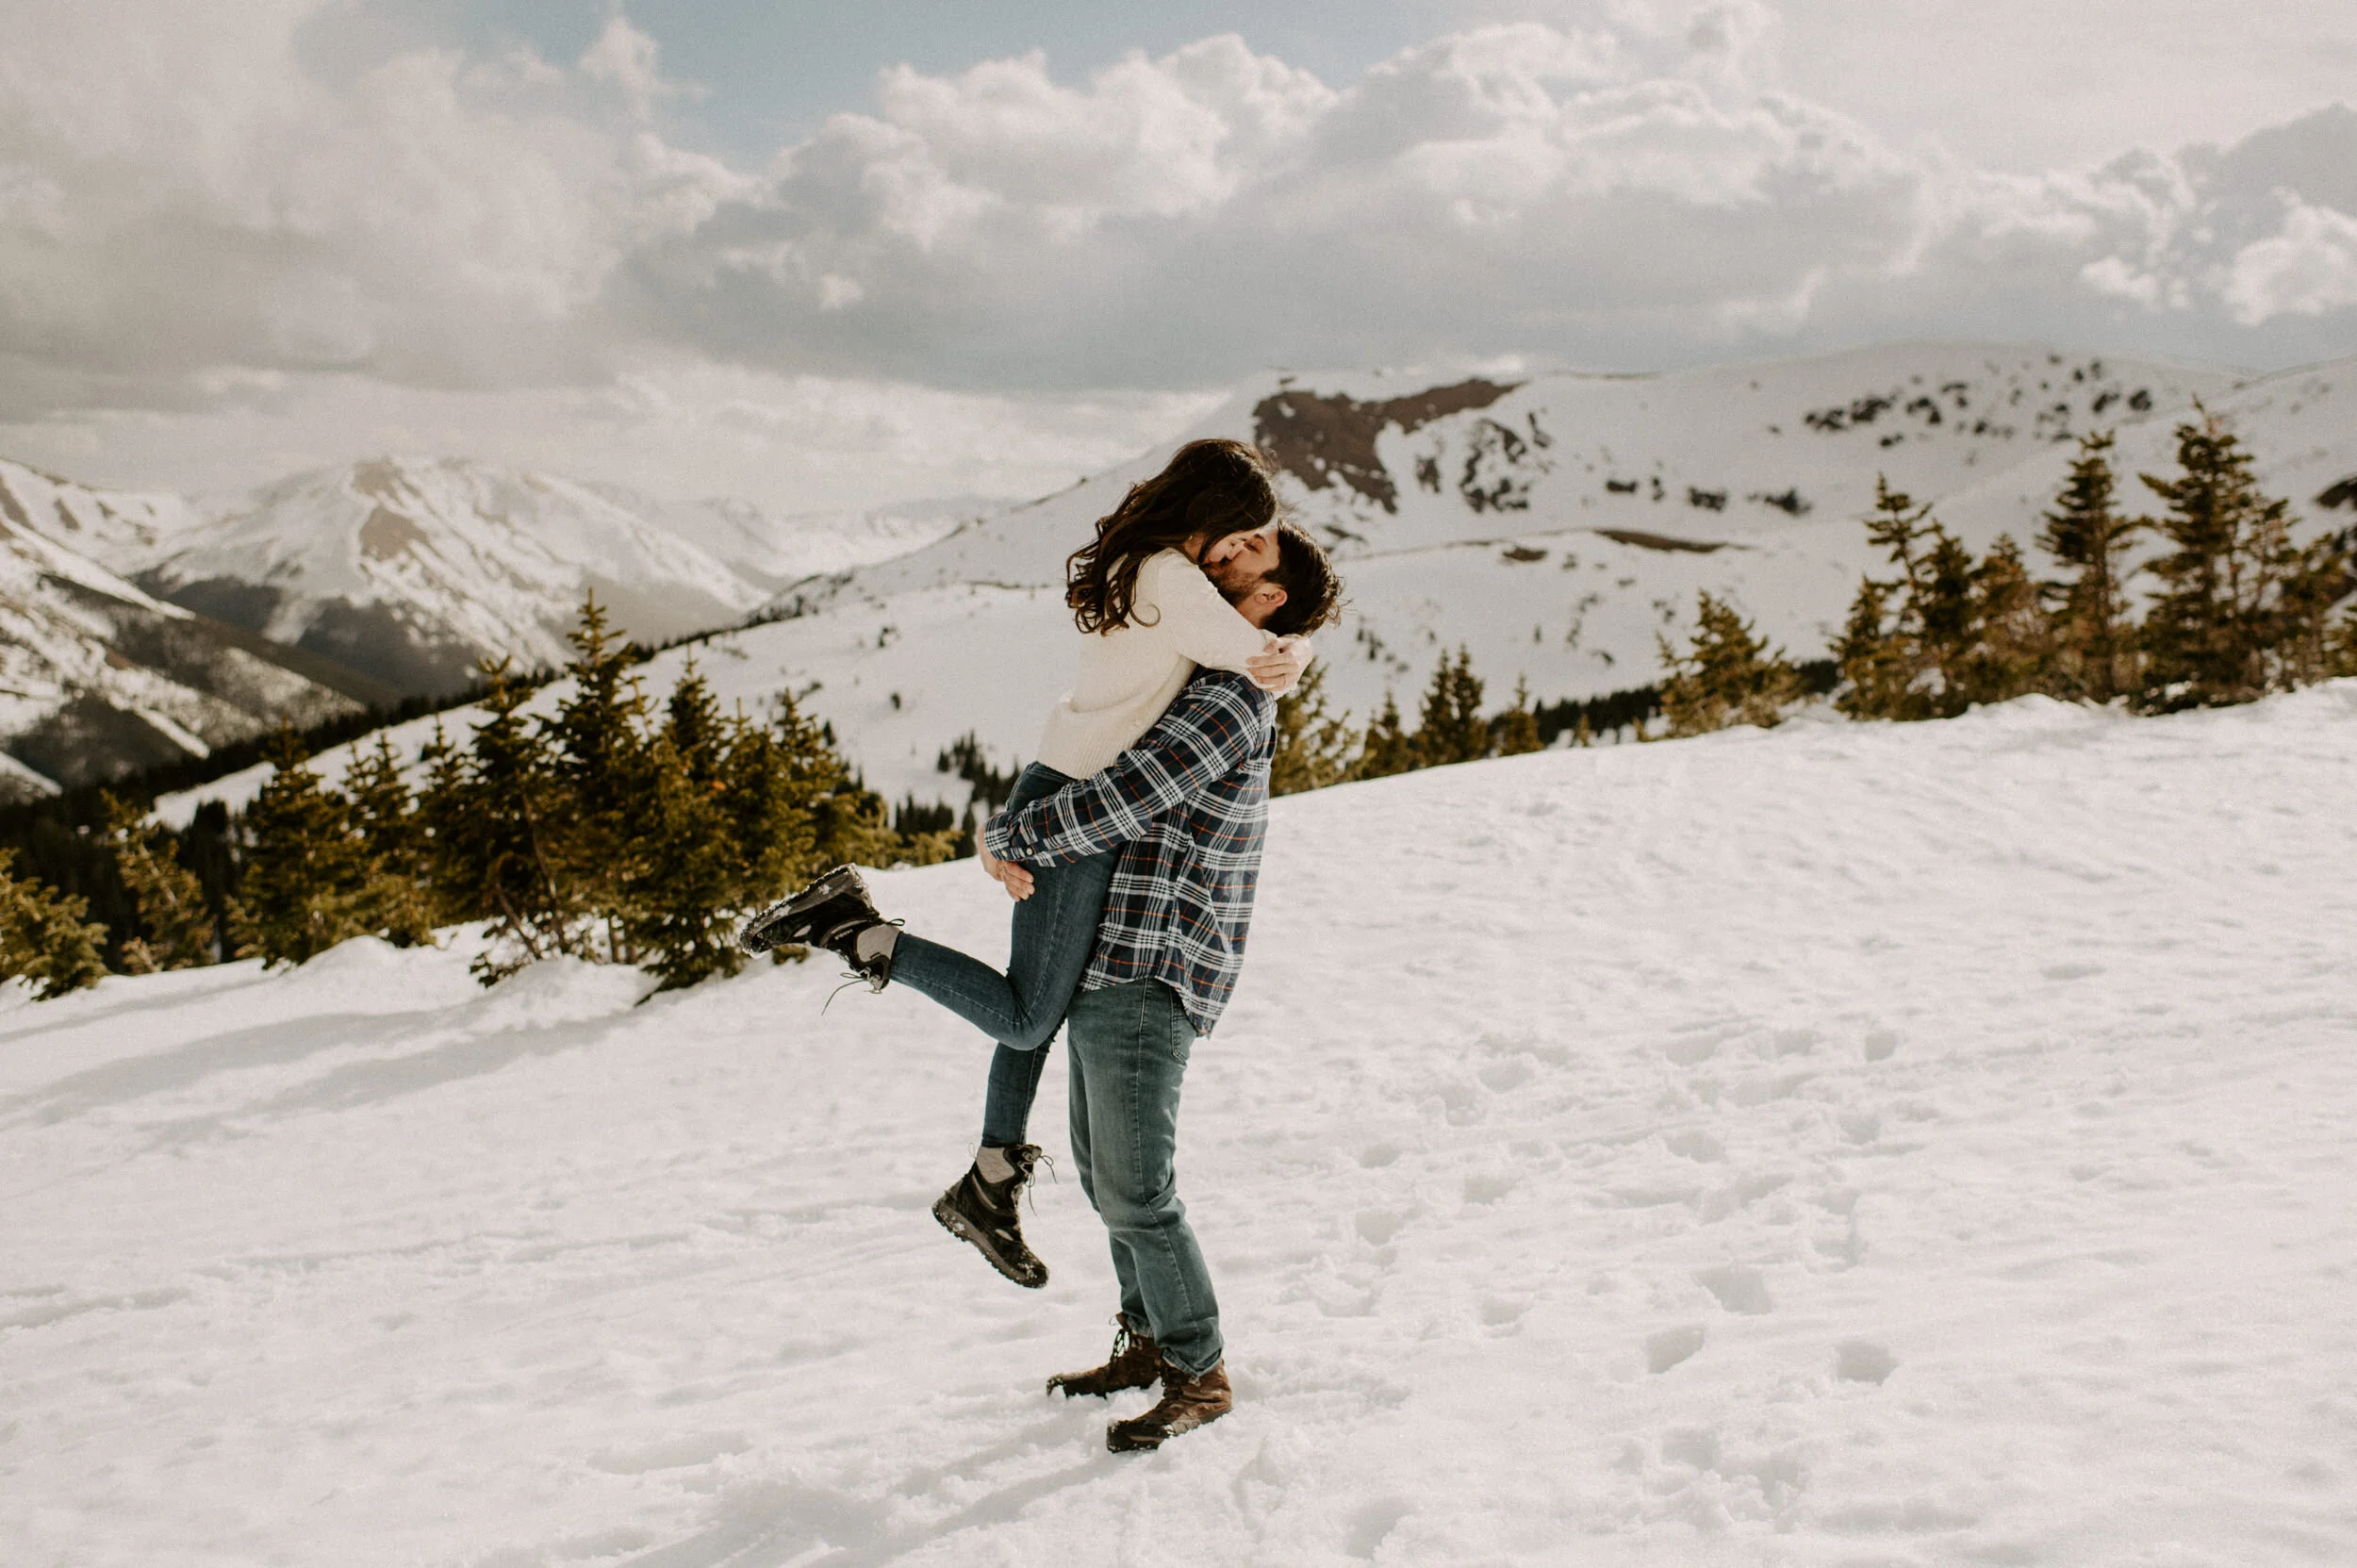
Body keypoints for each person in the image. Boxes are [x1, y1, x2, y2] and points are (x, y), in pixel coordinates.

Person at [770, 524, 1343, 1453]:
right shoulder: (1217, 671)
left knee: (1138, 1188)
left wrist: (1012, 835)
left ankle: (1199, 1371)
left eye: (1245, 558)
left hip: (1155, 962)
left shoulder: (1231, 698)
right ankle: (1148, 1339)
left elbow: (1126, 794)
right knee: (1105, 1176)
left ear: (1270, 599)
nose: (1221, 563)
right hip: (1118, 957)